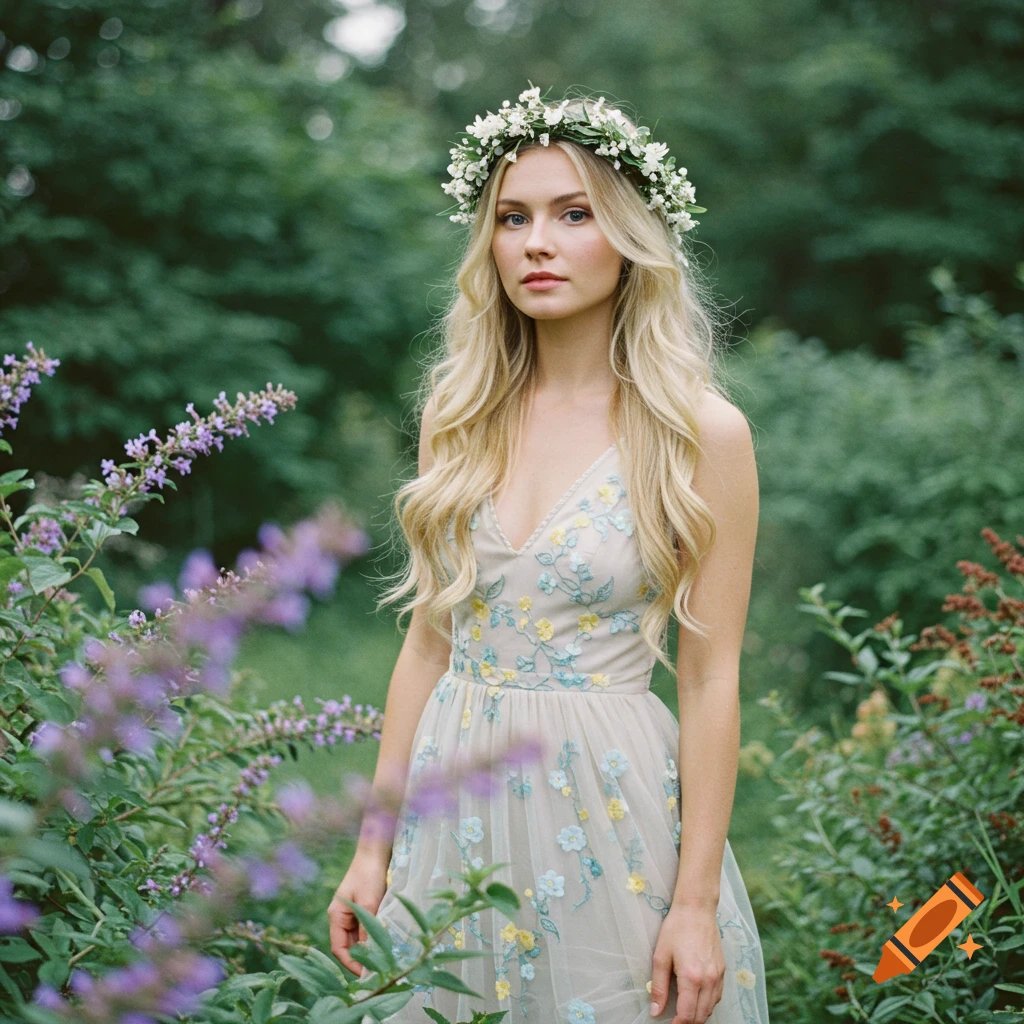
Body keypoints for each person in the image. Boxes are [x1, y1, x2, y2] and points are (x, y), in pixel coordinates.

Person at [328, 85, 769, 1024]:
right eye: (512, 217)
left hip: (607, 815)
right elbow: (428, 646)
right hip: (453, 807)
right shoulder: (460, 412)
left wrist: (693, 907)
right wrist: (374, 846)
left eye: (574, 215)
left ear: (630, 236)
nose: (537, 242)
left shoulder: (702, 434)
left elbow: (709, 678)